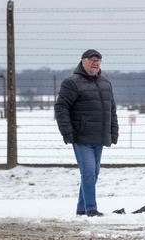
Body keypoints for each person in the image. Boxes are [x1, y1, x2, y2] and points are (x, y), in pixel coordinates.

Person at [55, 49, 119, 217]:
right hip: (81, 137)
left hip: (100, 137)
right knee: (89, 172)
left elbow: (111, 109)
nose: (95, 63)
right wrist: (67, 132)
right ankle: (91, 209)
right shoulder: (72, 83)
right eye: (91, 60)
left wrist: (114, 131)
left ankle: (81, 209)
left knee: (93, 173)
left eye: (98, 60)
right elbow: (61, 108)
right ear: (83, 61)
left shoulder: (106, 83)